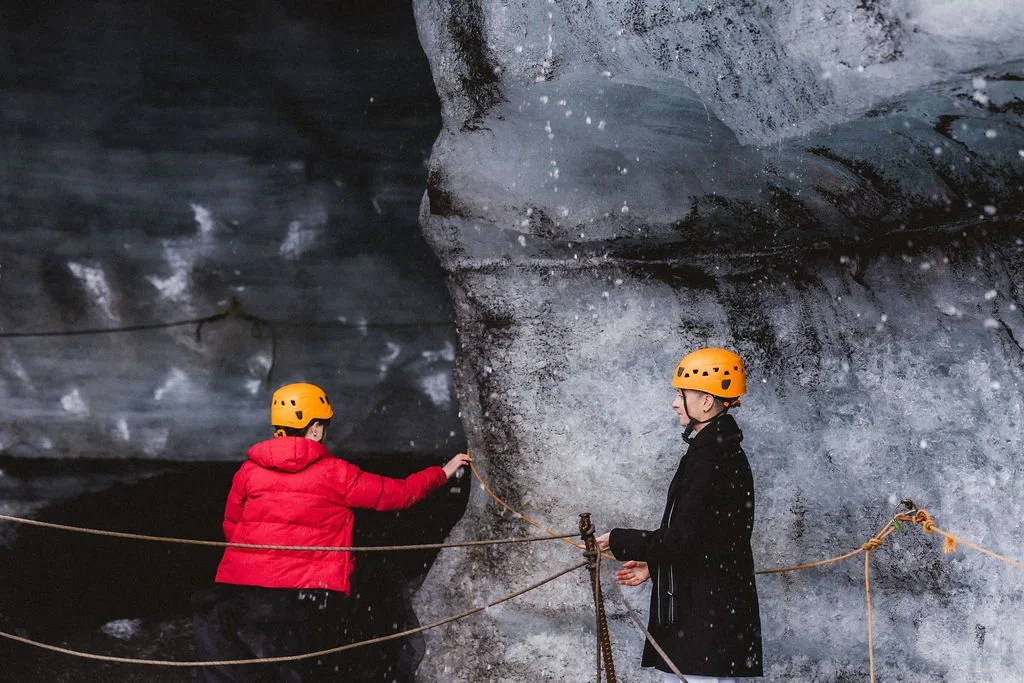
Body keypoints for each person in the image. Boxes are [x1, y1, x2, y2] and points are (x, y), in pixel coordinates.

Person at [192, 382, 471, 682]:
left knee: (258, 662)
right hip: (308, 597)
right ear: (313, 429)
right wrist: (443, 472)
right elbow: (398, 494)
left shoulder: (249, 471)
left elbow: (231, 526)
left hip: (247, 595)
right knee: (328, 651)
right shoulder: (337, 473)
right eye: (323, 424)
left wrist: (263, 565)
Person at [597, 347, 763, 683]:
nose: (675, 403)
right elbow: (707, 539)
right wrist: (655, 564)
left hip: (704, 623)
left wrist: (620, 541)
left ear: (705, 402)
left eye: (681, 394)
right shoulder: (719, 449)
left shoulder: (711, 456)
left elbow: (682, 540)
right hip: (712, 618)